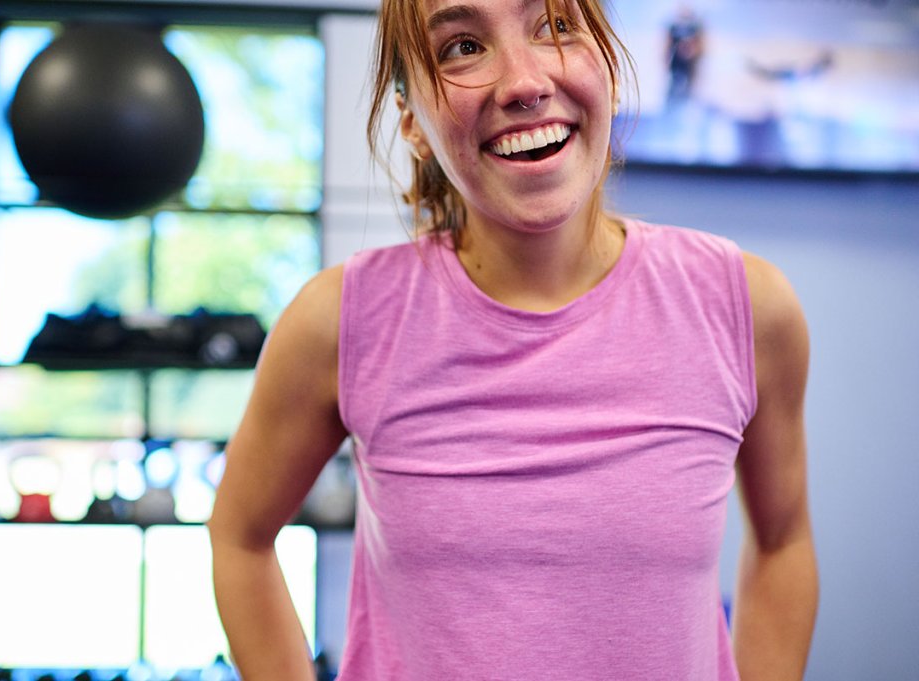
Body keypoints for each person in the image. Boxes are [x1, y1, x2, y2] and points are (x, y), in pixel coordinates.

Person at [207, 0, 819, 678]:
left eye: (556, 26)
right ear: (410, 120)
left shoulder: (745, 307)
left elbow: (784, 540)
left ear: (608, 68)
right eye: (462, 47)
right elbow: (239, 536)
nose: (524, 82)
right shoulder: (339, 321)